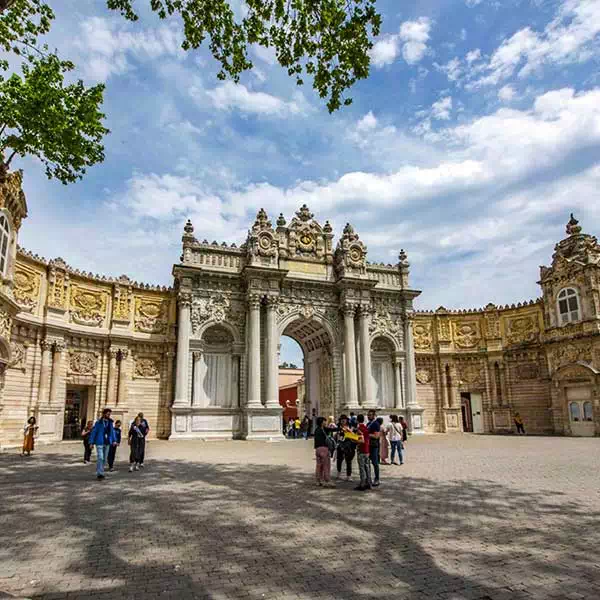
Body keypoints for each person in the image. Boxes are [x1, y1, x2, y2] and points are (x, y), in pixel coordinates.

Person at [88, 408, 117, 480]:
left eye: (109, 414)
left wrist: (114, 440)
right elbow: (94, 432)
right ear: (104, 414)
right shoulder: (98, 423)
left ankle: (102, 472)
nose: (109, 415)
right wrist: (91, 442)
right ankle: (99, 474)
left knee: (104, 459)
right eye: (107, 414)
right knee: (100, 457)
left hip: (107, 442)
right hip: (100, 442)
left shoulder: (110, 423)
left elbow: (112, 432)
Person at [335, 415, 356, 481]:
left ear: (347, 420)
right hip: (340, 445)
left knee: (348, 461)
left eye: (344, 419)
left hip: (348, 446)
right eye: (342, 419)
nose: (343, 420)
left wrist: (348, 432)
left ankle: (348, 476)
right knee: (339, 460)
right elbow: (336, 436)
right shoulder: (338, 427)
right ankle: (338, 474)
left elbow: (354, 436)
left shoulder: (350, 427)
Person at [314, 416, 334, 487]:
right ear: (322, 423)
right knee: (326, 465)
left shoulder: (316, 430)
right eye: (324, 421)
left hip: (317, 449)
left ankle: (318, 480)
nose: (326, 422)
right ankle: (327, 480)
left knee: (319, 466)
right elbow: (332, 429)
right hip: (324, 449)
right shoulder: (323, 429)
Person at [355, 414, 371, 491]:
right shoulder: (365, 427)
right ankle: (369, 482)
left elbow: (361, 440)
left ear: (357, 420)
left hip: (361, 450)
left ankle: (362, 484)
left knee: (361, 468)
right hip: (367, 449)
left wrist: (354, 440)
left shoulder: (359, 429)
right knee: (367, 467)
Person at [367, 409, 381, 487]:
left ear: (374, 415)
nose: (368, 416)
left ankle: (377, 479)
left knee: (375, 463)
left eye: (370, 415)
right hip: (368, 445)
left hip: (374, 446)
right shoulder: (368, 423)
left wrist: (367, 434)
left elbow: (376, 436)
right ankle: (368, 478)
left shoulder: (376, 424)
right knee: (367, 463)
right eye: (368, 415)